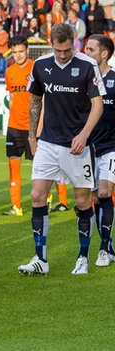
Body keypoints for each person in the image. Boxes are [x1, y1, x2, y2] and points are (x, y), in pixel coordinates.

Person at [18, 23, 105, 276]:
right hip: (47, 142)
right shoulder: (41, 65)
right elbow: (35, 100)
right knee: (36, 196)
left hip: (77, 146)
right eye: (58, 50)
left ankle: (82, 257)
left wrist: (84, 134)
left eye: (67, 50)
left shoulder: (87, 65)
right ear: (51, 44)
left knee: (82, 200)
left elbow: (97, 105)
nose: (63, 55)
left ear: (74, 43)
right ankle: (40, 258)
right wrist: (33, 135)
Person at [84, 34, 115, 266]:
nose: (86, 53)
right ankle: (108, 243)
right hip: (90, 147)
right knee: (94, 196)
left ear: (103, 53)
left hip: (112, 146)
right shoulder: (85, 79)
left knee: (105, 192)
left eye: (91, 49)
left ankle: (103, 249)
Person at [3, 35, 33, 217]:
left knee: (39, 166)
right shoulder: (10, 72)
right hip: (14, 126)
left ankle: (46, 197)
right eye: (14, 52)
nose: (18, 55)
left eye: (21, 51)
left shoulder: (35, 69)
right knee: (13, 166)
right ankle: (16, 206)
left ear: (27, 50)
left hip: (33, 126)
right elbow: (13, 98)